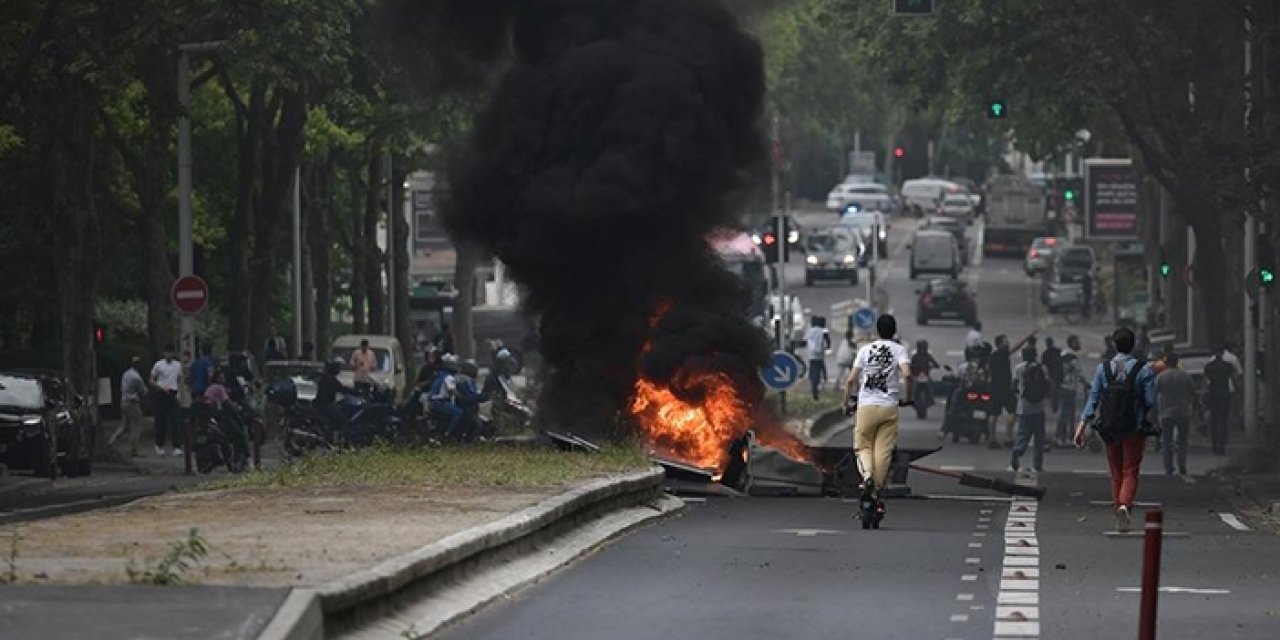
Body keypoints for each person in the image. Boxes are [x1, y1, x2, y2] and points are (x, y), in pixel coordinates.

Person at [1074, 327, 1157, 533]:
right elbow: (1150, 400)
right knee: (1130, 469)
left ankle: (1117, 509)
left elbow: (1093, 399)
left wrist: (1081, 426)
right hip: (1134, 428)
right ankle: (1124, 505)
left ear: (1113, 344)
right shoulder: (1143, 369)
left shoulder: (1104, 369)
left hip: (1109, 429)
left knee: (1115, 472)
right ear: (1133, 345)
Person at [843, 314, 912, 515]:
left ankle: (867, 478)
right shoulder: (899, 350)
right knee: (884, 451)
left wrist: (845, 402)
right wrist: (908, 397)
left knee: (863, 446)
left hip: (866, 407)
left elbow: (850, 381)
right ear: (894, 331)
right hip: (889, 407)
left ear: (877, 331)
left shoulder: (865, 350)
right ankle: (877, 489)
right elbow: (907, 374)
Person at [989, 330, 1037, 449]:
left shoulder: (992, 356)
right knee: (1011, 411)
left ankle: (992, 438)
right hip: (1004, 387)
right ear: (1000, 344)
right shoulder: (1003, 353)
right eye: (1005, 342)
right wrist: (1027, 336)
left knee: (993, 413)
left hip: (993, 387)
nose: (1008, 343)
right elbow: (1017, 346)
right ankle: (1008, 437)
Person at [1155, 352, 1195, 475]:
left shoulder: (1161, 377)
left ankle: (1168, 467)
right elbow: (1192, 391)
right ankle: (1182, 464)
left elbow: (1154, 392)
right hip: (1183, 412)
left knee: (1167, 441)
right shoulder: (1185, 376)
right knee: (1182, 440)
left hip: (1166, 412)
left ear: (1166, 363)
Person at [1011, 347, 1049, 472]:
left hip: (1024, 406)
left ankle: (1018, 450)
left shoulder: (1019, 368)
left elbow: (1014, 386)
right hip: (1039, 406)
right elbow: (1046, 385)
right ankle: (1038, 464)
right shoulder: (1042, 368)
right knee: (1039, 437)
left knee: (1023, 433)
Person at [109, 357, 148, 456]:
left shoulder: (126, 374)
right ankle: (133, 449)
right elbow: (143, 391)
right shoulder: (137, 378)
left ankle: (112, 442)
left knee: (124, 425)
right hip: (132, 402)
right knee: (137, 425)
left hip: (124, 401)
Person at [150, 346, 184, 456]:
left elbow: (180, 380)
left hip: (173, 393)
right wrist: (160, 387)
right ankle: (159, 444)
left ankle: (177, 446)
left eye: (171, 352)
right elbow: (151, 380)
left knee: (176, 420)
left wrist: (179, 392)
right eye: (167, 352)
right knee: (161, 420)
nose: (168, 354)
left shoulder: (177, 365)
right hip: (161, 393)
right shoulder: (158, 365)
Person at [1054, 335, 1087, 447]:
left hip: (1063, 386)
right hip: (1069, 388)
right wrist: (1087, 384)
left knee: (1066, 413)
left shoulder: (1063, 355)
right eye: (1077, 342)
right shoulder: (1072, 357)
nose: (1079, 344)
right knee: (1065, 414)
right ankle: (1060, 437)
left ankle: (1065, 436)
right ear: (1072, 343)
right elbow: (1079, 373)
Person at [1203, 347, 1235, 455]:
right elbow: (1232, 377)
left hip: (1213, 392)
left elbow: (1206, 380)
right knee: (1223, 420)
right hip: (1224, 392)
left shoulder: (1209, 366)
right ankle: (1221, 446)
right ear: (1222, 353)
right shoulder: (1228, 366)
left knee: (1214, 420)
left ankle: (1214, 445)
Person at [315, 357, 355, 443]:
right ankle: (337, 441)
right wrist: (355, 392)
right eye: (337, 367)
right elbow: (342, 388)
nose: (338, 370)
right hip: (325, 405)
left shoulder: (325, 377)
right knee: (342, 420)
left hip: (322, 404)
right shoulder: (329, 379)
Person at [427, 354, 464, 440]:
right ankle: (448, 433)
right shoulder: (449, 377)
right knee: (458, 412)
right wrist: (464, 397)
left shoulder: (441, 375)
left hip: (433, 402)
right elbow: (452, 390)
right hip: (439, 402)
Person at [804, 316, 831, 401]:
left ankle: (813, 386)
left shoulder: (810, 331)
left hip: (811, 355)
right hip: (820, 354)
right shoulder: (823, 331)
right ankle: (822, 380)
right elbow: (828, 341)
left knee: (813, 370)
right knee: (820, 368)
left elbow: (804, 340)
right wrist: (827, 347)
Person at [1041, 336, 1064, 414]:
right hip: (1059, 373)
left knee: (1053, 391)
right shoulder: (1058, 351)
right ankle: (1055, 406)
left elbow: (1043, 365)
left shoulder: (1045, 353)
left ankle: (1054, 407)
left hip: (1051, 374)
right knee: (1057, 390)